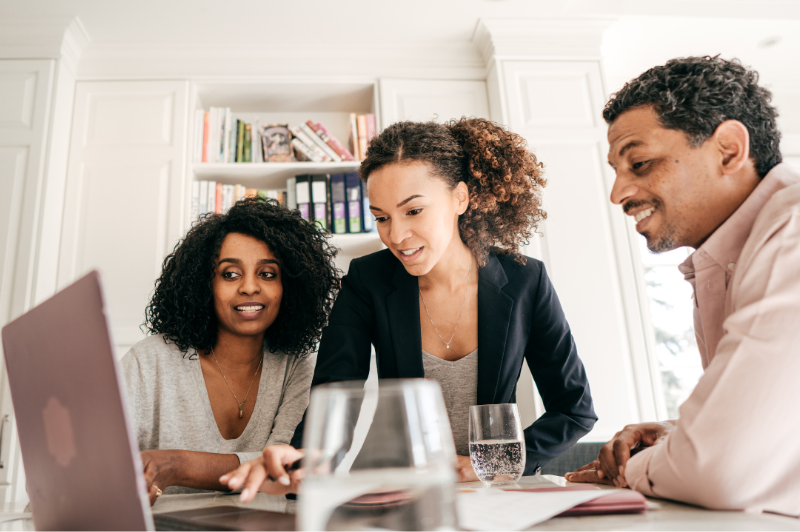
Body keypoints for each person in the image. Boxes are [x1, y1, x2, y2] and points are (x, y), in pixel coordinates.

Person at [221, 117, 598, 500]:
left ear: (460, 198)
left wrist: (497, 461)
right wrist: (302, 460)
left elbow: (573, 408)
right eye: (381, 217)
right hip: (394, 490)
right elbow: (336, 394)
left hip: (489, 494)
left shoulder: (525, 281)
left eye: (413, 211)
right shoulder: (366, 280)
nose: (396, 236)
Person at [565, 56, 800, 516]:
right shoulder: (722, 258)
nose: (618, 193)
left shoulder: (791, 231)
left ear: (729, 150)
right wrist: (683, 434)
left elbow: (722, 470)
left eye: (640, 162)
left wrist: (635, 469)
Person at [122, 196, 340, 505]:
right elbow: (96, 463)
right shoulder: (149, 363)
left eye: (267, 273)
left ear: (289, 287)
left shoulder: (298, 367)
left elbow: (282, 466)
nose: (249, 287)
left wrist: (174, 465)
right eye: (230, 274)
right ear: (204, 284)